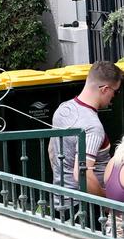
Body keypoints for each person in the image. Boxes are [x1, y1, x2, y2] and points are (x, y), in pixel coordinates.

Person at [50, 61, 122, 197]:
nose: (114, 97)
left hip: (61, 200)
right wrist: (107, 204)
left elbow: (52, 152)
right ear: (105, 89)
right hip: (85, 207)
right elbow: (82, 174)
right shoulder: (93, 127)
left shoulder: (63, 109)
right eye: (116, 91)